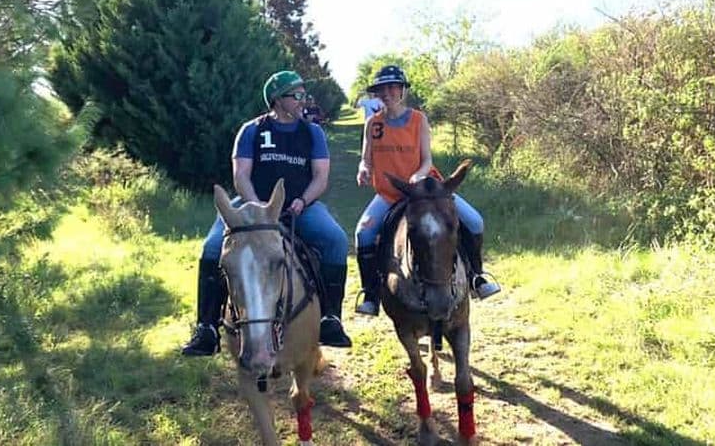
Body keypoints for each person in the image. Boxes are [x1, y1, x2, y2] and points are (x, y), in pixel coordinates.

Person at [181, 70, 352, 356]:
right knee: (212, 247)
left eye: (303, 95)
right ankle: (206, 328)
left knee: (336, 240)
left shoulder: (312, 132)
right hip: (251, 206)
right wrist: (260, 208)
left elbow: (320, 177)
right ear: (277, 99)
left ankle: (330, 318)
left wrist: (302, 200)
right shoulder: (251, 130)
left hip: (300, 206)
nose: (303, 101)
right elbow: (241, 175)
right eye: (296, 95)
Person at [354, 64, 501, 316]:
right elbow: (365, 157)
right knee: (363, 235)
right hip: (390, 193)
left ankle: (477, 277)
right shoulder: (373, 124)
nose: (387, 93)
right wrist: (364, 168)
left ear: (402, 91)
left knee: (474, 221)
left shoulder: (418, 119)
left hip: (427, 190)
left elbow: (427, 160)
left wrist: (418, 176)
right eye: (382, 89)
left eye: (392, 87)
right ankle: (371, 293)